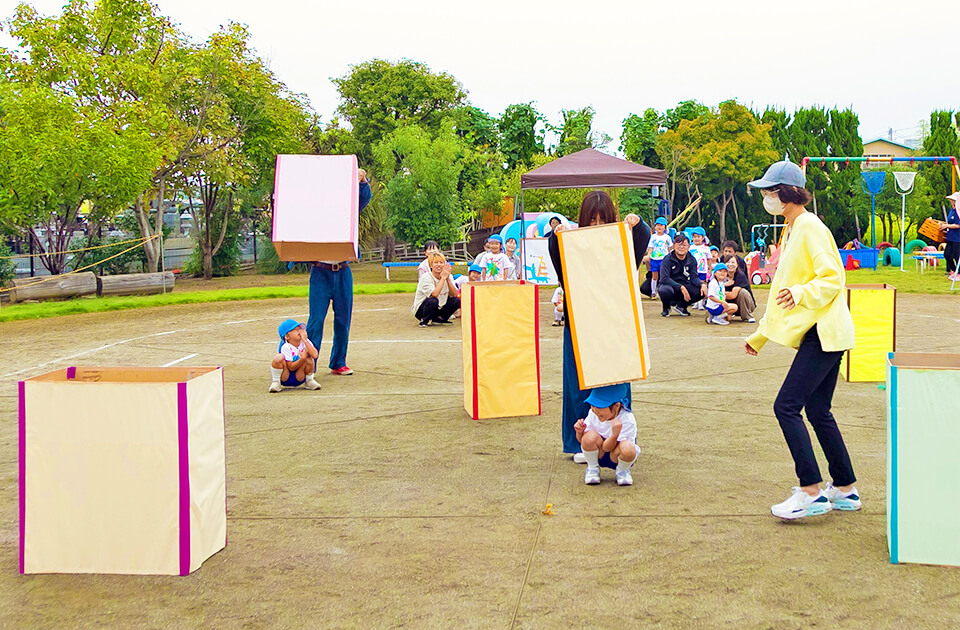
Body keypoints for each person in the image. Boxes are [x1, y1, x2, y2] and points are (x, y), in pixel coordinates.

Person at [744, 160, 860, 521]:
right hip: (825, 332)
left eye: (769, 190)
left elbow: (833, 277)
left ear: (787, 192)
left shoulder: (809, 225)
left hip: (823, 332)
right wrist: (760, 335)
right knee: (818, 410)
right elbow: (781, 292)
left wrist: (801, 291)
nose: (766, 197)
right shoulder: (792, 228)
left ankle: (811, 490)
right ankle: (845, 489)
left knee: (786, 406)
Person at [548, 190, 650, 460]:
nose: (596, 227)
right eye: (590, 221)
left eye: (602, 221)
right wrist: (559, 232)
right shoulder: (573, 246)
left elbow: (642, 239)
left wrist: (636, 223)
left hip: (615, 324)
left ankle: (622, 441)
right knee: (577, 383)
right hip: (579, 324)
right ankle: (581, 442)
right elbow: (554, 250)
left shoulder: (618, 242)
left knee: (615, 382)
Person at [306, 169, 372, 377]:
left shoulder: (347, 211)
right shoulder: (313, 213)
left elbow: (363, 199)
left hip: (342, 271)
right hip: (320, 272)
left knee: (343, 319)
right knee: (316, 320)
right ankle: (310, 366)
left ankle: (338, 362)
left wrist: (362, 181)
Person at [573, 383, 640, 486]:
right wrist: (580, 432)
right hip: (599, 453)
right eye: (593, 405)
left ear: (616, 406)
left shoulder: (627, 419)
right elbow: (582, 441)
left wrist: (614, 435)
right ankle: (592, 468)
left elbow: (607, 448)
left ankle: (622, 471)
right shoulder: (593, 413)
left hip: (617, 456)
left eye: (600, 407)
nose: (595, 410)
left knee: (628, 448)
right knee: (588, 437)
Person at [657, 233, 703, 318]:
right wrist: (680, 287)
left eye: (684, 245)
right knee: (664, 290)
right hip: (670, 286)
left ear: (689, 246)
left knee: (701, 290)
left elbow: (694, 277)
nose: (682, 247)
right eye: (679, 245)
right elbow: (664, 278)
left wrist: (702, 284)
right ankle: (666, 308)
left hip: (685, 286)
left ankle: (682, 306)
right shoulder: (667, 259)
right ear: (674, 246)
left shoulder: (691, 260)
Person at [269, 319, 321, 392]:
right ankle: (276, 382)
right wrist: (302, 358)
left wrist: (305, 341)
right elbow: (291, 367)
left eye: (300, 329)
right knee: (278, 358)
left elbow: (315, 355)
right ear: (287, 336)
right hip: (286, 377)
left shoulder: (305, 342)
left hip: (300, 376)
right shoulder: (286, 347)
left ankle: (309, 380)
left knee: (309, 358)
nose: (300, 332)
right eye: (295, 330)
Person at [412, 253, 460, 327]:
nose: (439, 265)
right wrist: (443, 278)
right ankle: (424, 320)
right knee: (433, 300)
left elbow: (455, 294)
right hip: (423, 309)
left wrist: (447, 279)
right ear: (431, 265)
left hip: (440, 307)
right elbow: (434, 294)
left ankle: (439, 319)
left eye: (441, 263)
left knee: (456, 300)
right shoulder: (426, 277)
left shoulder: (449, 276)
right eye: (436, 263)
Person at [722, 254, 757, 323]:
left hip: (745, 305)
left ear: (737, 264)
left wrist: (720, 293)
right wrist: (723, 285)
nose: (730, 264)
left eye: (733, 262)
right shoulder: (721, 275)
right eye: (728, 262)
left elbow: (733, 295)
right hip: (729, 305)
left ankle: (747, 317)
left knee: (742, 292)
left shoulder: (740, 276)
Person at [644, 217, 673, 298]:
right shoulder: (653, 237)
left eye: (662, 225)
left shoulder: (667, 237)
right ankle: (653, 292)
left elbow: (670, 248)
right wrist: (649, 255)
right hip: (654, 259)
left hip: (664, 259)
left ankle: (663, 291)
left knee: (664, 275)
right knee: (654, 275)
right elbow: (651, 247)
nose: (659, 227)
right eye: (658, 225)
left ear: (665, 227)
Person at [689, 228, 711, 310]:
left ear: (703, 238)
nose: (696, 239)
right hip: (693, 270)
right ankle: (695, 302)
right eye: (694, 237)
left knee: (701, 286)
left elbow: (709, 259)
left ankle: (700, 302)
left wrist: (709, 269)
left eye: (698, 237)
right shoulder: (690, 248)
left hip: (702, 270)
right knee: (694, 285)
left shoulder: (706, 248)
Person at [941, 192, 960, 275]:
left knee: (956, 255)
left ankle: (958, 271)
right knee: (947, 254)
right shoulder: (951, 211)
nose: (951, 202)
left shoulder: (958, 212)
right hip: (950, 237)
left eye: (953, 200)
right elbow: (949, 222)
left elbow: (958, 225)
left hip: (957, 237)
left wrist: (946, 226)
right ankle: (953, 269)